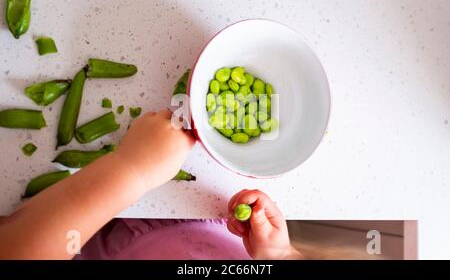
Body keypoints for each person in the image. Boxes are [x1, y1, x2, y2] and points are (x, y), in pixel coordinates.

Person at [0, 110, 302, 260]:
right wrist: (280, 254)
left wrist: (130, 168)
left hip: (90, 238)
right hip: (194, 225)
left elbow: (15, 251)